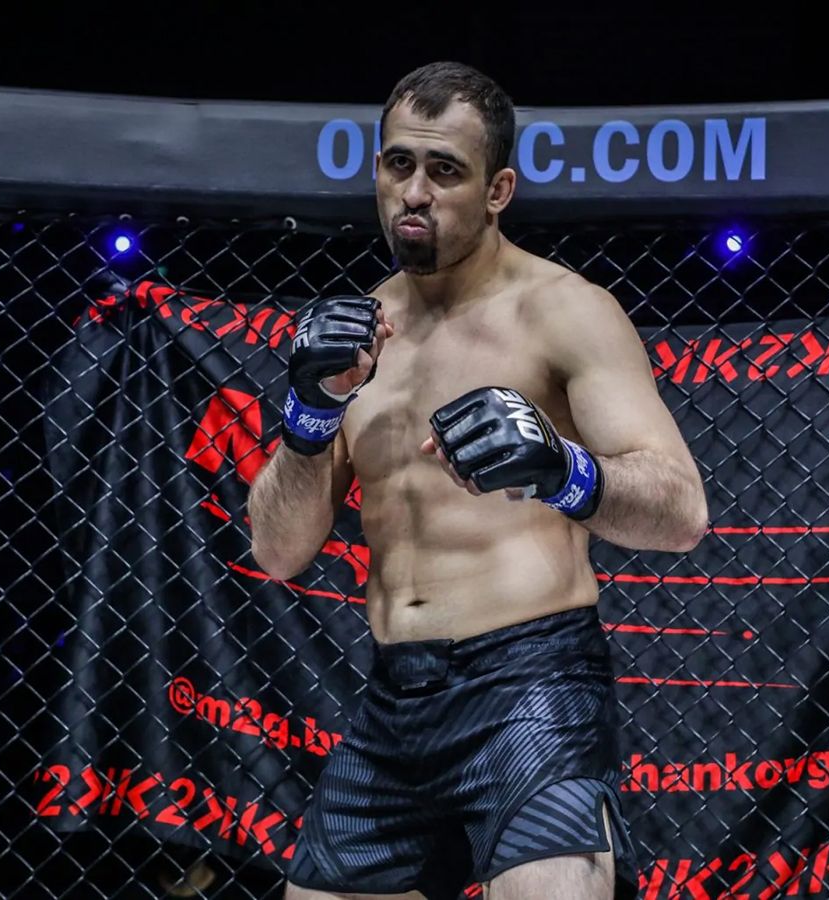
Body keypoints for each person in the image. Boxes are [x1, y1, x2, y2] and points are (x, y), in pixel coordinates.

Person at [248, 61, 708, 900]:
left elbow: (681, 512)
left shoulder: (564, 311)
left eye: (445, 171)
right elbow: (278, 552)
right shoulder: (358, 334)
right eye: (399, 165)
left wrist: (562, 469)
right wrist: (309, 415)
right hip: (393, 697)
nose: (415, 193)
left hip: (529, 687)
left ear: (498, 190)